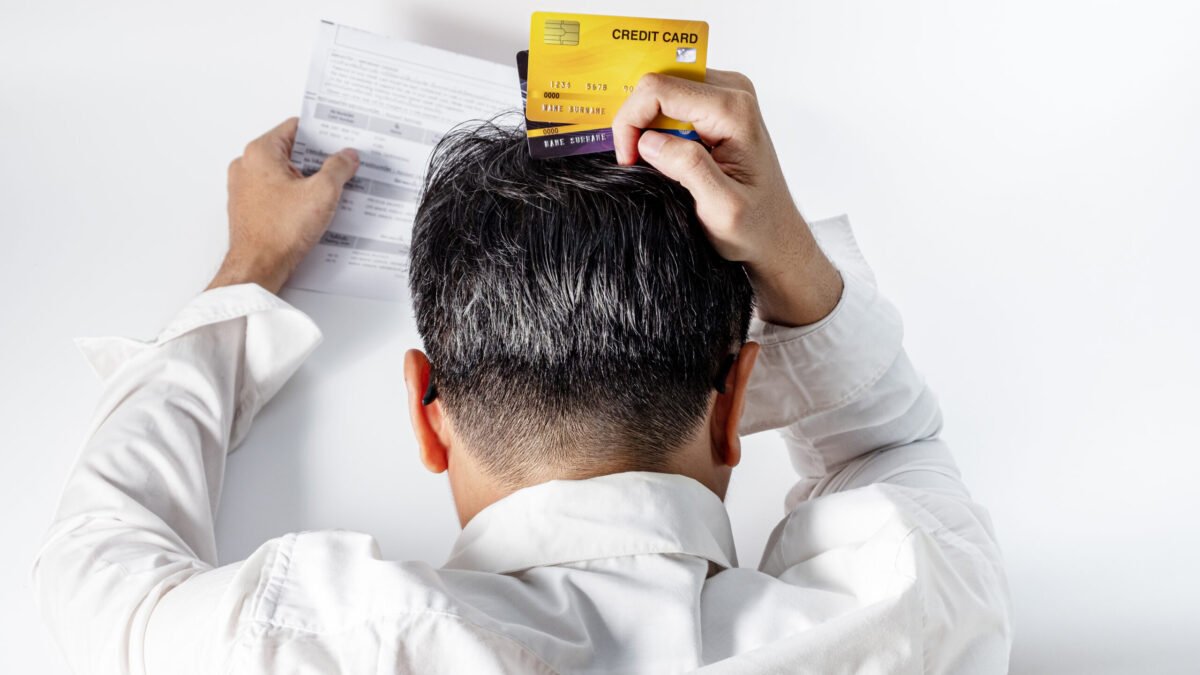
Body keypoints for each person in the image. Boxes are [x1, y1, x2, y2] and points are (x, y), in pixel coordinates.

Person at [32, 70, 1012, 673]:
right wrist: (790, 252)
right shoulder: (914, 628)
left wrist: (249, 267)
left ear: (428, 409)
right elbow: (890, 445)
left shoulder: (306, 643)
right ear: (736, 405)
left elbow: (94, 575)